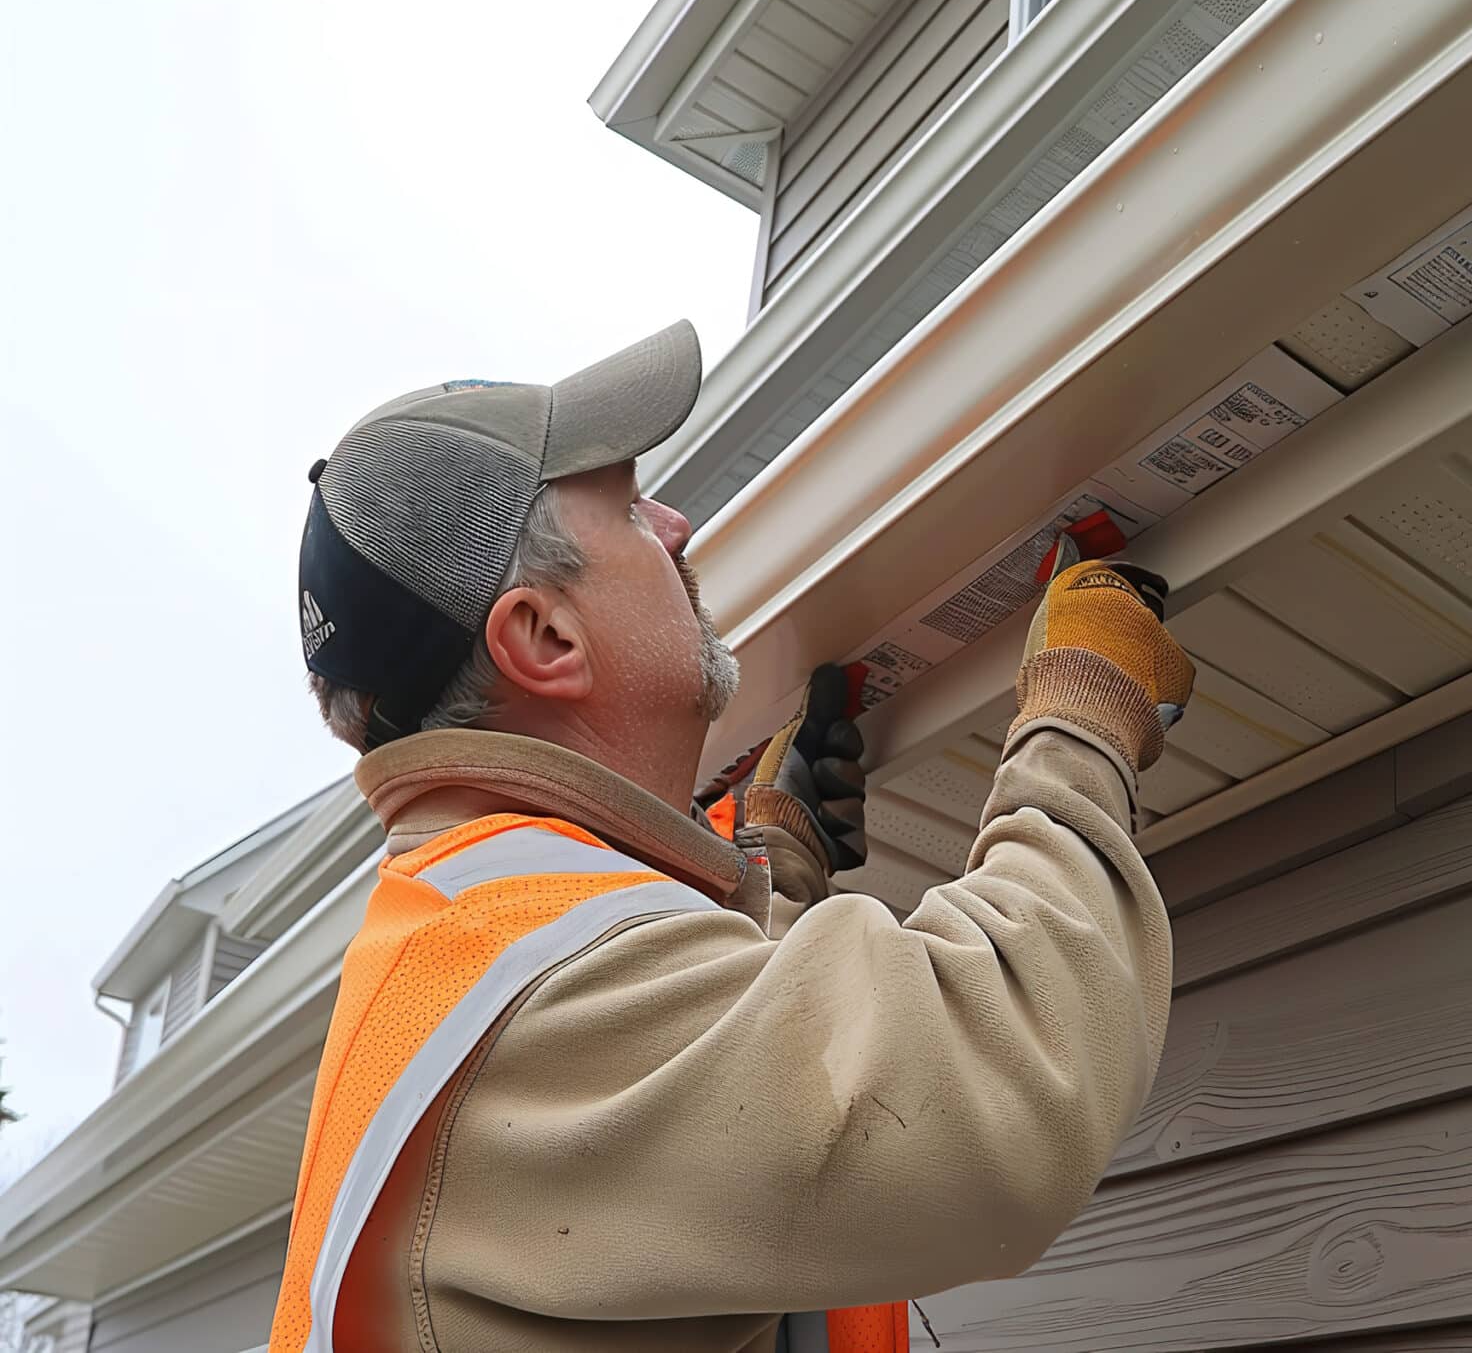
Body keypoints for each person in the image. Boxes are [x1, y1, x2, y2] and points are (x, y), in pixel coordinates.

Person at [271, 317, 1197, 1353]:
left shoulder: (467, 942)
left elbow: (737, 1152)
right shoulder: (536, 986)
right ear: (543, 637)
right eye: (626, 509)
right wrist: (1079, 714)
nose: (674, 524)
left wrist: (771, 872)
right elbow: (999, 1081)